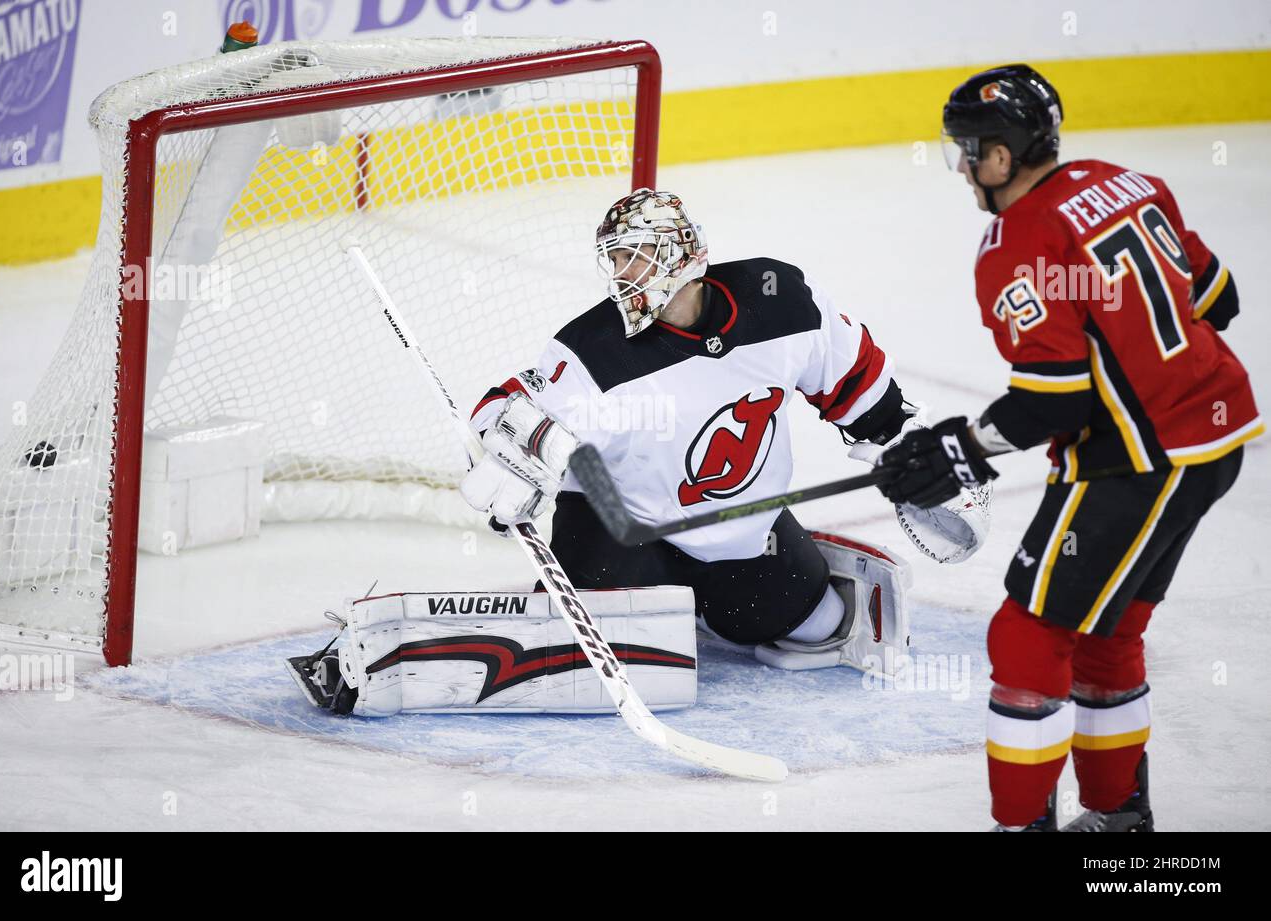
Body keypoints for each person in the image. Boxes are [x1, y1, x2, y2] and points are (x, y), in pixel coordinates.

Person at [875, 64, 1262, 830]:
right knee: (1108, 631)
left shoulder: (1017, 243)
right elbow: (1221, 297)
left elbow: (1057, 401)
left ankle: (1022, 825)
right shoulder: (1130, 182)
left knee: (1026, 635)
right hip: (1217, 432)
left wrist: (958, 447)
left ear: (1005, 154)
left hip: (1139, 457)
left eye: (970, 149)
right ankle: (1121, 820)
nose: (961, 166)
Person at [460, 188, 987, 672]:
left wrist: (901, 439)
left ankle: (703, 605)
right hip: (622, 527)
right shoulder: (594, 349)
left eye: (634, 255)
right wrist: (518, 446)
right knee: (597, 649)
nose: (622, 272)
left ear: (681, 254)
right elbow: (503, 406)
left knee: (814, 624)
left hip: (739, 532)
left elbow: (853, 376)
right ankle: (621, 598)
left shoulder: (780, 301)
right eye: (615, 258)